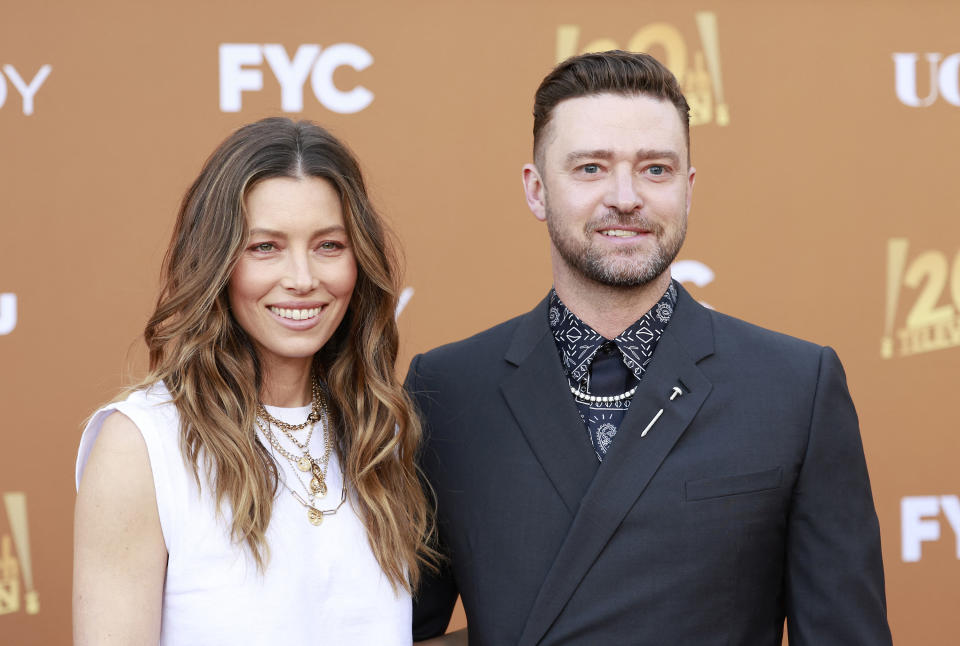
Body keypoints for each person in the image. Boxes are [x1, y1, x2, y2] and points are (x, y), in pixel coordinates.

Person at [406, 51, 892, 645]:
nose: (626, 197)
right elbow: (393, 627)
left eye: (655, 169)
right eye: (590, 168)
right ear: (536, 191)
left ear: (687, 189)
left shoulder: (795, 387)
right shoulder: (449, 389)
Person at [74, 117, 436, 645]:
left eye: (329, 245)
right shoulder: (142, 443)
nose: (303, 278)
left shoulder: (378, 432)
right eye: (265, 247)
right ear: (216, 261)